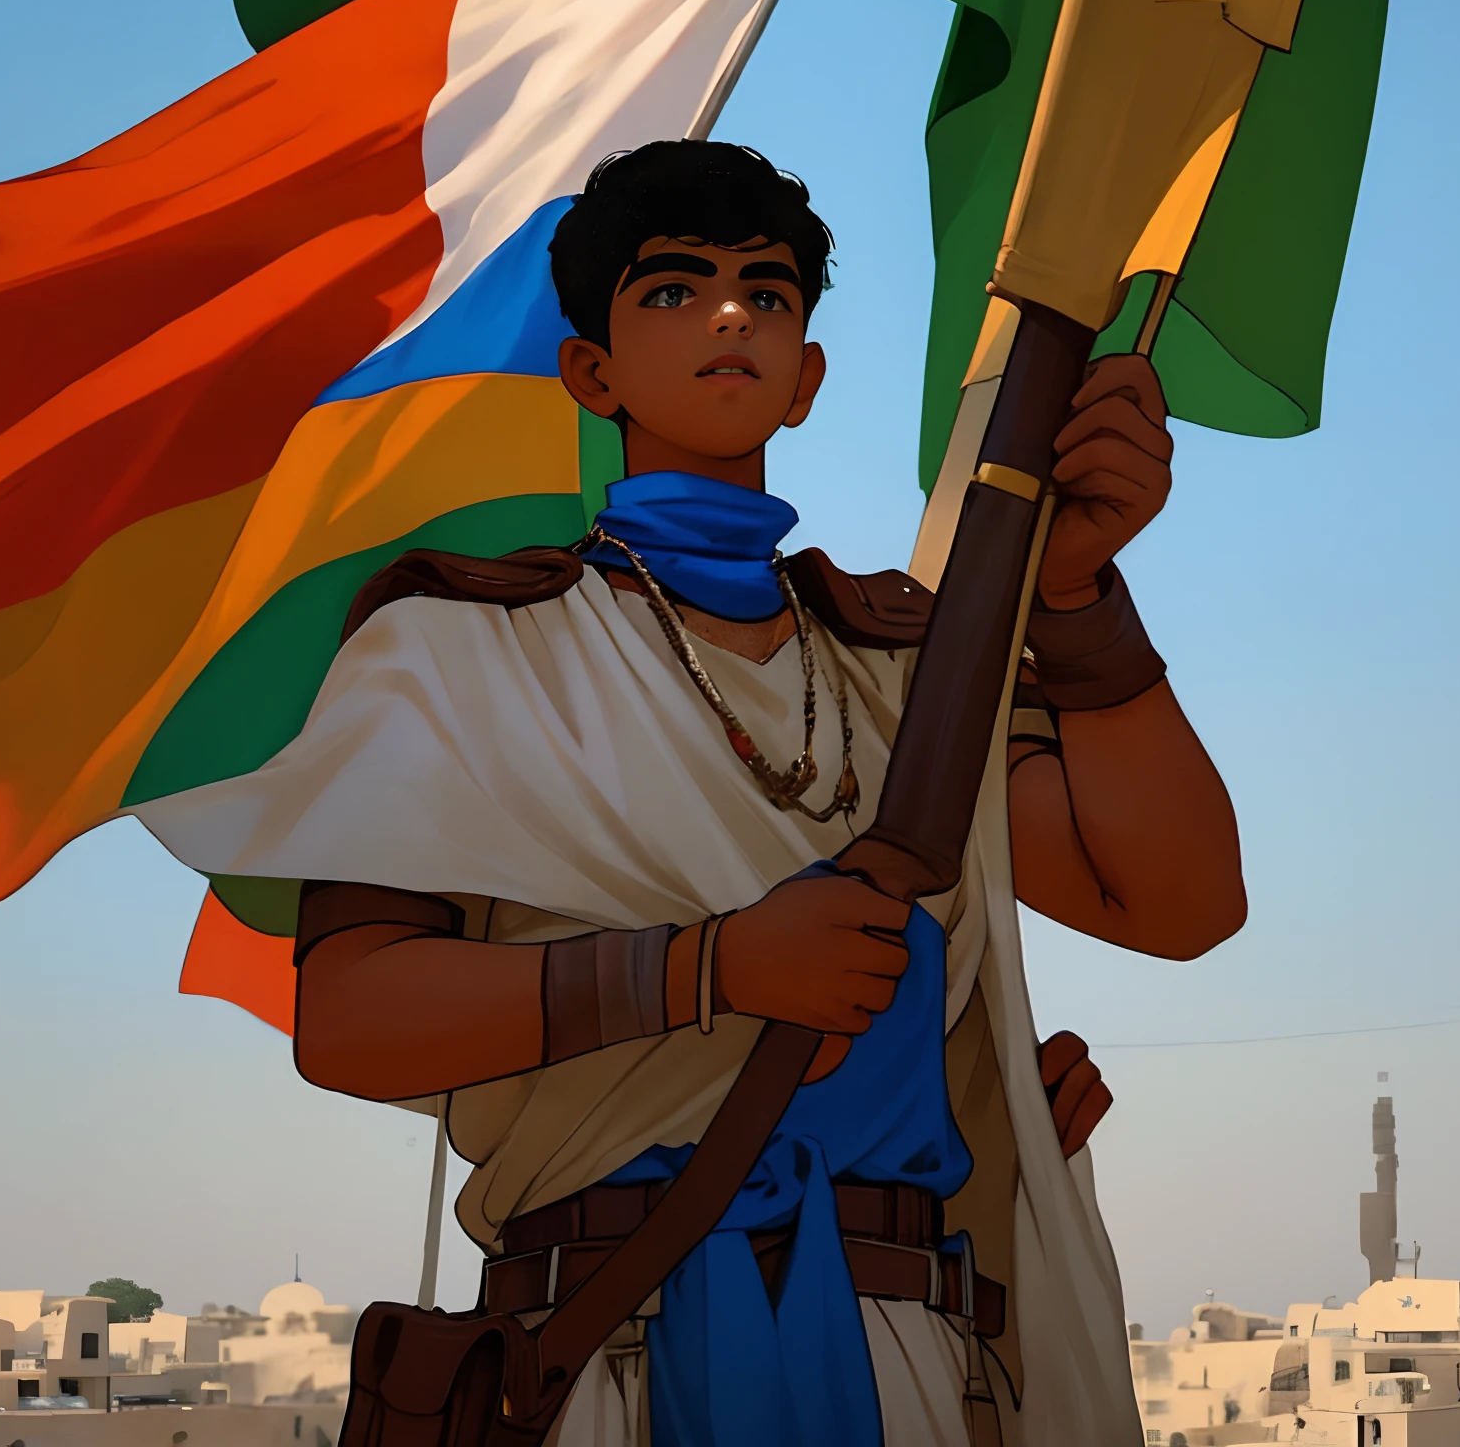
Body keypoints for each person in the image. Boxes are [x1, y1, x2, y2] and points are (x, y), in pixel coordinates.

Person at [142, 140, 1245, 1447]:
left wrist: (1072, 599)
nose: (731, 316)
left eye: (767, 296)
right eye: (674, 291)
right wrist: (707, 970)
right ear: (589, 370)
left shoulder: (907, 664)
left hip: (913, 1366)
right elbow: (350, 1016)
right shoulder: (462, 643)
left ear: (808, 378)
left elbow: (1177, 903)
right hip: (611, 1348)